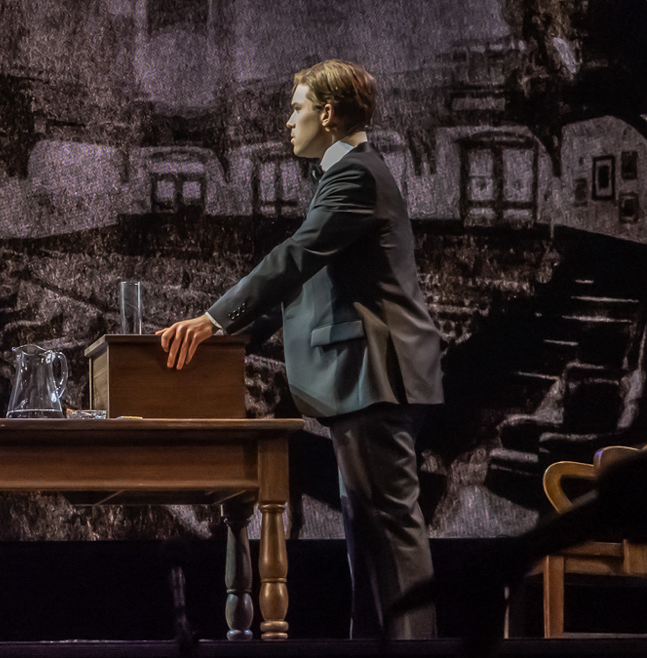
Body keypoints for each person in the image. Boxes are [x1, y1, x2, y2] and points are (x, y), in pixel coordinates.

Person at [157, 60, 443, 640]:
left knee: (390, 535)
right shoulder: (343, 176)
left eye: (297, 108)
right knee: (368, 537)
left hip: (374, 375)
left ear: (328, 114)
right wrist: (224, 337)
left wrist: (212, 319)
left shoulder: (355, 175)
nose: (289, 121)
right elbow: (301, 290)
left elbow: (293, 259)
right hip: (363, 379)